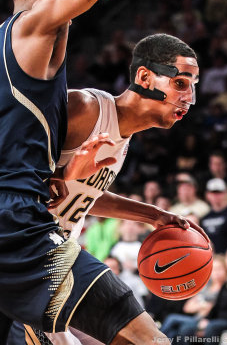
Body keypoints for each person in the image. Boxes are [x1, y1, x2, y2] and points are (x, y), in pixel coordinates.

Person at [7, 32, 208, 344]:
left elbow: (86, 196)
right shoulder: (86, 109)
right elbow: (17, 173)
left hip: (48, 260)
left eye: (193, 87)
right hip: (32, 252)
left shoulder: (122, 141)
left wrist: (153, 215)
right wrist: (63, 173)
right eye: (180, 84)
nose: (189, 98)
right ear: (144, 76)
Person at [0, 0, 157, 343]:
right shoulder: (30, 28)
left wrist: (65, 175)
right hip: (17, 226)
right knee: (145, 338)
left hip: (18, 214)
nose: (79, 5)